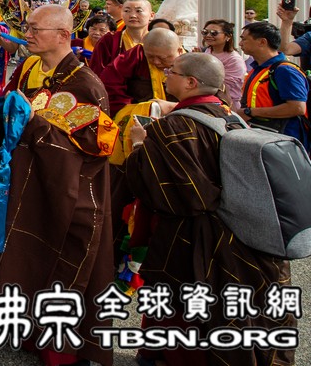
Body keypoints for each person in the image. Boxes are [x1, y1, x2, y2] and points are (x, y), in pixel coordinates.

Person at [125, 52, 297, 366]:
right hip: (240, 230)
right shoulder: (232, 116)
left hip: (193, 235)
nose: (167, 74)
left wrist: (139, 145)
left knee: (185, 302)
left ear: (191, 82)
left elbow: (169, 192)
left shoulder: (175, 125)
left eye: (173, 71)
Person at [0, 3, 114, 366]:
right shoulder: (36, 71)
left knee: (63, 264)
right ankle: (32, 332)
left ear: (64, 35)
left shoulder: (85, 84)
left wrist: (31, 121)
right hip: (32, 182)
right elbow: (17, 115)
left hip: (70, 191)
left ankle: (62, 351)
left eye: (36, 29)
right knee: (28, 258)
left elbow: (89, 148)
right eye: (28, 27)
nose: (28, 34)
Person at [238, 21, 310, 148]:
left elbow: (297, 108)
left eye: (244, 39)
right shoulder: (258, 69)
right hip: (266, 138)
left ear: (262, 42)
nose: (240, 43)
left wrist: (251, 112)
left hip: (285, 142)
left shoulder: (285, 70)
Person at [101, 27, 182, 116]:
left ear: (179, 51)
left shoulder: (189, 65)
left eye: (162, 58)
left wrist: (175, 107)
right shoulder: (136, 56)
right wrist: (133, 109)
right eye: (150, 56)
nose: (156, 62)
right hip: (137, 115)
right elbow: (110, 82)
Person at [89, 0, 152, 76]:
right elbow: (96, 73)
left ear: (151, 15)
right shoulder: (109, 40)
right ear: (122, 14)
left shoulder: (158, 41)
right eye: (127, 11)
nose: (132, 15)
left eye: (138, 11)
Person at [201, 18, 246, 109]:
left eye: (214, 33)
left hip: (226, 105)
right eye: (205, 32)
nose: (208, 35)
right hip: (207, 101)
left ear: (228, 36)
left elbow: (226, 86)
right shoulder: (208, 51)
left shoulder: (234, 59)